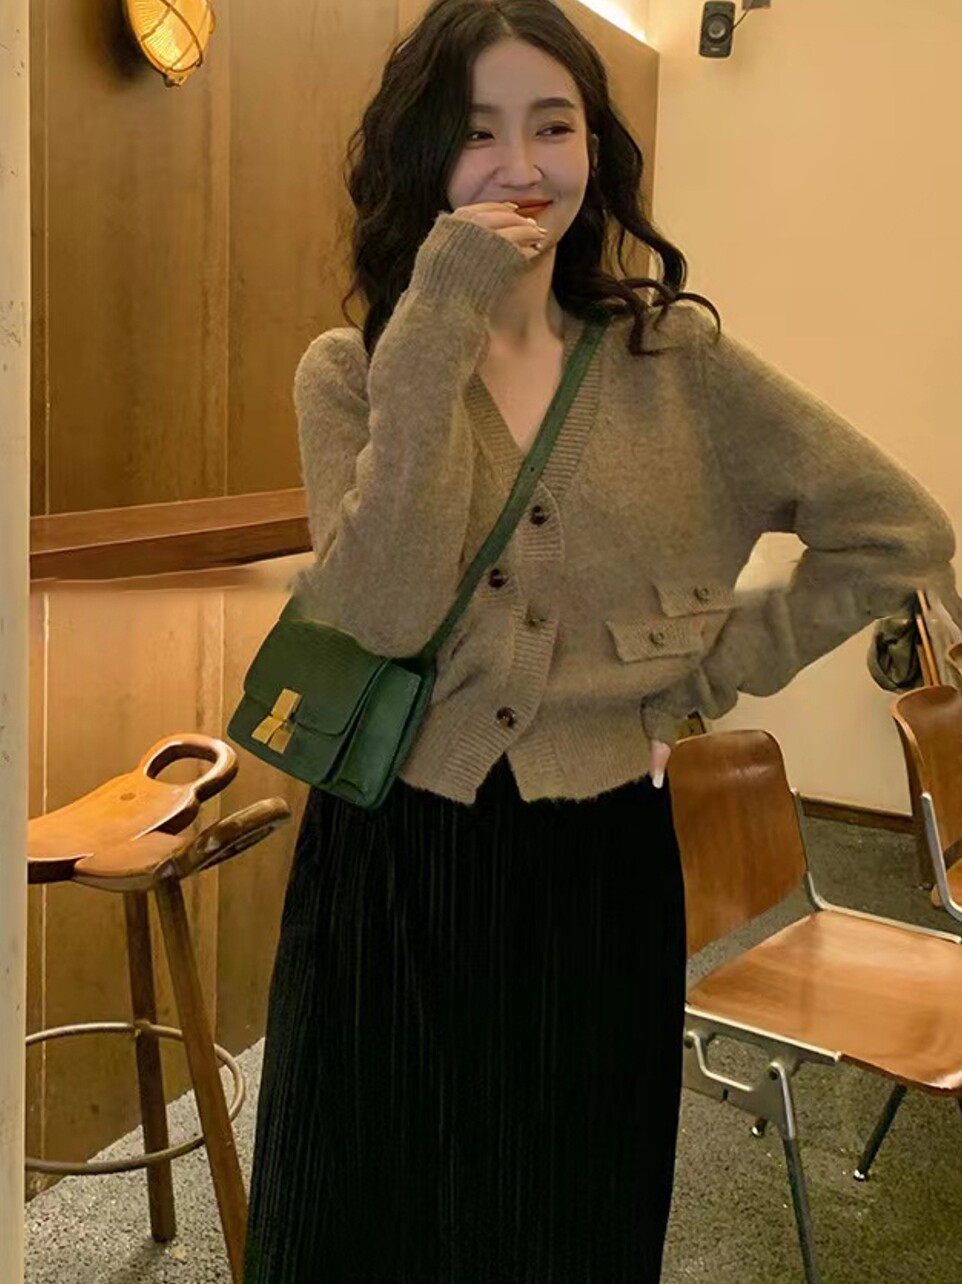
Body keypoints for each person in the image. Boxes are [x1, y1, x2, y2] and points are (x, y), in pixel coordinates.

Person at [242, 1, 962, 1280]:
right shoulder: (352, 370)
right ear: (423, 152)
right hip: (392, 857)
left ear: (595, 146)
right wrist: (441, 311)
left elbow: (897, 533)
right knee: (368, 1208)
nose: (520, 165)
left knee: (564, 1207)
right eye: (476, 131)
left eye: (553, 125)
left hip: (596, 861)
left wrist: (699, 674)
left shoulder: (670, 358)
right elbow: (388, 610)